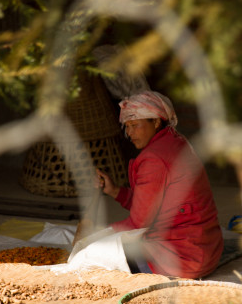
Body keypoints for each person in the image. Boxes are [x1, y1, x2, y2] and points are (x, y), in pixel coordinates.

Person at [77, 91, 223, 279]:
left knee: (90, 257)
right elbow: (150, 206)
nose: (129, 133)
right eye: (127, 127)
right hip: (207, 251)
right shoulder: (177, 142)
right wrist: (114, 191)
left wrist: (94, 237)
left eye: (135, 125)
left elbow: (138, 223)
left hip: (182, 260)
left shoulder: (154, 159)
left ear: (156, 122)